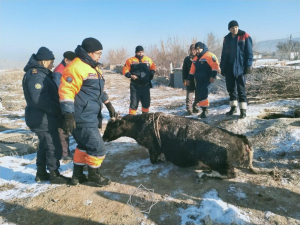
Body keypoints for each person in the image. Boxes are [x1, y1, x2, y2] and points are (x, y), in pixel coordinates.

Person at [59, 37, 117, 186]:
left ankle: (77, 175)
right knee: (98, 148)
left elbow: (97, 90)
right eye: (98, 53)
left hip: (90, 114)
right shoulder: (76, 67)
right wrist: (68, 115)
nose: (100, 56)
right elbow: (66, 91)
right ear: (89, 52)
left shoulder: (92, 67)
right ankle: (94, 175)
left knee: (84, 146)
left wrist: (109, 105)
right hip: (81, 116)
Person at [22, 47, 70, 184]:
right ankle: (54, 175)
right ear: (44, 61)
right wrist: (57, 110)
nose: (53, 64)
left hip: (43, 117)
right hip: (42, 118)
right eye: (51, 61)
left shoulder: (41, 73)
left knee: (44, 146)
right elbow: (39, 99)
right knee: (53, 146)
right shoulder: (36, 74)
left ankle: (41, 173)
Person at [220, 20, 253, 118]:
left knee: (241, 89)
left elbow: (249, 52)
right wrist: (222, 67)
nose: (235, 29)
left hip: (240, 67)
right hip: (229, 67)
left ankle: (243, 110)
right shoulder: (226, 38)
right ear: (229, 29)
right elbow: (224, 54)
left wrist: (248, 66)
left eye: (236, 27)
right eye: (232, 28)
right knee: (231, 89)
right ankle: (233, 108)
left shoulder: (245, 36)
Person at [53, 51, 76, 160]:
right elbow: (60, 90)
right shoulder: (59, 71)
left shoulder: (65, 69)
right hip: (62, 105)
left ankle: (66, 151)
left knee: (67, 129)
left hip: (67, 103)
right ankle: (65, 154)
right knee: (63, 130)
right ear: (66, 60)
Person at [187, 42, 219, 118]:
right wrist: (188, 79)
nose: (197, 51)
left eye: (198, 49)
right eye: (196, 49)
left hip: (207, 80)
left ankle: (205, 111)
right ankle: (203, 109)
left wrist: (213, 76)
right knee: (200, 94)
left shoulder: (209, 56)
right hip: (199, 80)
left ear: (202, 48)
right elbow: (192, 70)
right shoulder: (195, 59)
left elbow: (215, 66)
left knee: (204, 94)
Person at [122, 45, 156, 115]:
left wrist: (151, 73)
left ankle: (145, 117)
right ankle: (131, 119)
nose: (140, 54)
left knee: (146, 104)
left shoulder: (148, 60)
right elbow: (124, 70)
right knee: (134, 104)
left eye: (142, 52)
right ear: (136, 52)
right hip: (135, 86)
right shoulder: (130, 60)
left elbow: (153, 68)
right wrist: (130, 75)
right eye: (139, 52)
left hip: (145, 86)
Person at [182, 44, 199, 115]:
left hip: (198, 79)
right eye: (191, 50)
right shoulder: (187, 59)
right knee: (189, 95)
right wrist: (184, 79)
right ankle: (189, 108)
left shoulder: (200, 57)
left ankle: (195, 106)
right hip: (189, 79)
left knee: (198, 95)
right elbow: (184, 70)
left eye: (194, 50)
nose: (192, 51)